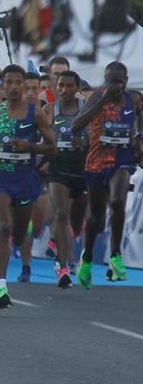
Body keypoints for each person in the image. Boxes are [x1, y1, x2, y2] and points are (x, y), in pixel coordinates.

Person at [0, 65, 55, 308]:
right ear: (3, 86)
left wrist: (31, 148)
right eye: (10, 83)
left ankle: (20, 251)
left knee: (18, 233)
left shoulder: (34, 114)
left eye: (19, 83)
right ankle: (1, 286)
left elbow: (52, 147)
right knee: (3, 226)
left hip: (25, 178)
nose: (15, 87)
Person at [72, 61, 143, 288]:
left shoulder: (133, 99)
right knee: (95, 219)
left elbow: (138, 122)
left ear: (126, 81)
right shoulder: (96, 97)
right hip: (97, 160)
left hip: (121, 160)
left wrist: (138, 141)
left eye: (119, 82)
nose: (115, 86)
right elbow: (76, 125)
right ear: (104, 80)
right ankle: (88, 257)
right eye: (110, 81)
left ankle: (115, 254)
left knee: (117, 201)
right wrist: (102, 100)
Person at [43, 70, 86, 288]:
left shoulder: (86, 109)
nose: (64, 90)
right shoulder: (49, 110)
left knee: (76, 224)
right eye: (60, 85)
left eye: (69, 86)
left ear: (77, 88)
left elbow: (95, 138)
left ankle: (69, 250)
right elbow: (41, 138)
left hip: (81, 171)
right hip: (57, 170)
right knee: (60, 214)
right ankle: (62, 267)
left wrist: (84, 144)